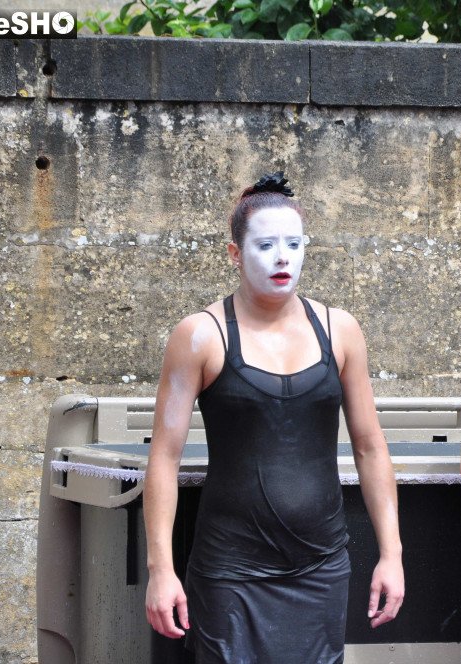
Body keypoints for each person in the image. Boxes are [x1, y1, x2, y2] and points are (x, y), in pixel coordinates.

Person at [143, 172, 405, 663]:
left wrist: (391, 554)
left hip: (321, 566)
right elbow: (163, 459)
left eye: (293, 243)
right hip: (231, 571)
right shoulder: (200, 335)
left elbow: (370, 447)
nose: (282, 257)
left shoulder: (340, 330)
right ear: (235, 254)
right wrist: (161, 569)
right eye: (265, 245)